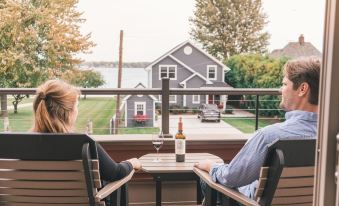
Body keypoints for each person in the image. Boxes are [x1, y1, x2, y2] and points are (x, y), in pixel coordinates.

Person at [195, 57, 320, 200]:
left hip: (247, 202)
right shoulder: (330, 137)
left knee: (207, 179)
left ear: (302, 89)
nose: (280, 90)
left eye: (284, 84)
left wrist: (212, 166)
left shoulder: (270, 136)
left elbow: (231, 177)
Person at [31, 79, 141, 189]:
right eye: (76, 106)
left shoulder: (21, 144)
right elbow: (115, 173)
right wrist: (131, 163)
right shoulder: (83, 143)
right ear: (69, 113)